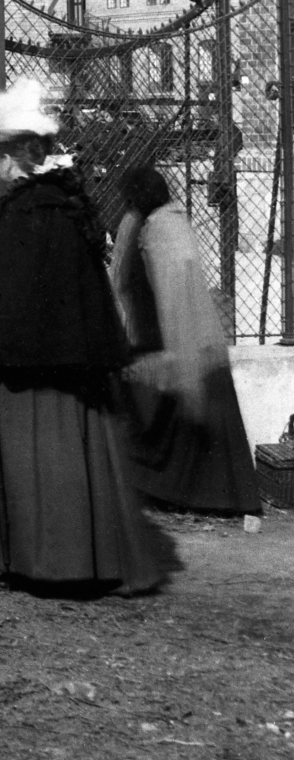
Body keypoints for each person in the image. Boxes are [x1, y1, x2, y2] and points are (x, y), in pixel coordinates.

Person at [0, 78, 165, 596]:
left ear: (23, 157)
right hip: (64, 362)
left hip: (30, 370)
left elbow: (15, 292)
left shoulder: (32, 211)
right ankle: (68, 561)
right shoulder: (59, 205)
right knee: (65, 462)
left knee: (42, 463)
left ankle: (51, 563)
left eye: (1, 158)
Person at [110, 165, 263, 517]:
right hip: (180, 344)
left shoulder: (164, 229)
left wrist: (180, 365)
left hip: (181, 345)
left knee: (171, 427)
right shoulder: (159, 223)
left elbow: (175, 297)